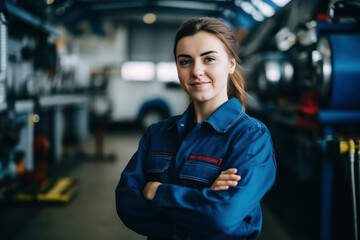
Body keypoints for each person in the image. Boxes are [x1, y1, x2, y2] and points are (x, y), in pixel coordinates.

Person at [115, 17, 277, 240]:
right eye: (185, 62)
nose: (196, 71)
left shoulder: (251, 138)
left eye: (209, 59)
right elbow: (126, 204)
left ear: (231, 64)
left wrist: (157, 191)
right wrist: (205, 198)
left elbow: (222, 216)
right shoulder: (158, 133)